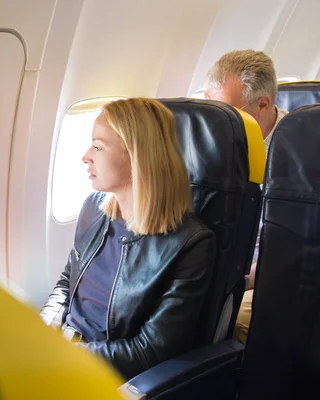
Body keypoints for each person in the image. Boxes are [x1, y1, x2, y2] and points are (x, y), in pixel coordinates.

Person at [40, 98, 216, 379]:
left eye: (98, 146)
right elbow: (68, 280)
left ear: (136, 155)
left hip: (104, 373)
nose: (86, 155)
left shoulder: (190, 244)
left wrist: (67, 354)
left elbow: (150, 350)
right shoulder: (94, 208)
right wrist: (45, 324)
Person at [203, 49, 287, 343]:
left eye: (228, 113)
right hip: (225, 262)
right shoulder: (209, 142)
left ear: (263, 104)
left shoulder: (302, 151)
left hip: (277, 268)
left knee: (234, 323)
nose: (216, 124)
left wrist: (249, 272)